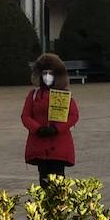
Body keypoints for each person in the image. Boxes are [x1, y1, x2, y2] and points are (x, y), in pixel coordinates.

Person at [21, 53, 79, 183]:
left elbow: (73, 115)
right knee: (44, 179)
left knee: (58, 180)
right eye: (44, 73)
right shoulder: (34, 95)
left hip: (59, 144)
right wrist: (38, 129)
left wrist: (57, 128)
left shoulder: (64, 94)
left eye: (50, 73)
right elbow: (25, 115)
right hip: (40, 144)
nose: (47, 77)